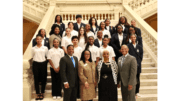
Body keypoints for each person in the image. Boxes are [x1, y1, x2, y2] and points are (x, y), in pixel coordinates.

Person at [31, 35, 48, 100]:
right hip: (36, 64)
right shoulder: (33, 48)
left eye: (40, 39)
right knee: (36, 79)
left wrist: (43, 61)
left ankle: (42, 93)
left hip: (43, 63)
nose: (39, 40)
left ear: (42, 40)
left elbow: (46, 56)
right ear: (36, 40)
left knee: (44, 78)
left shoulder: (45, 48)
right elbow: (32, 56)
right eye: (37, 39)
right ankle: (38, 93)